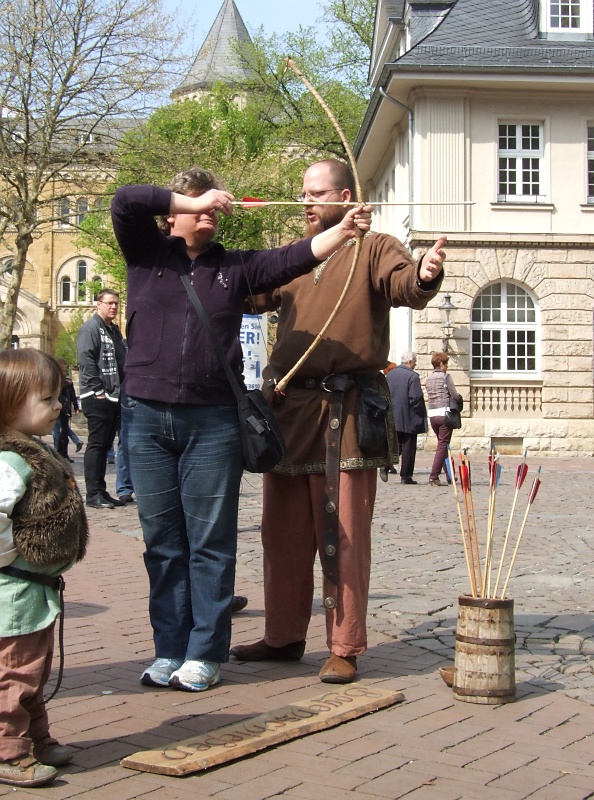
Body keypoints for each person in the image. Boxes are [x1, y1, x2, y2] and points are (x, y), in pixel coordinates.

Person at [111, 167, 372, 693]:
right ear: (172, 214)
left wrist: (344, 229)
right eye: (192, 205)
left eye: (211, 204)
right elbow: (124, 200)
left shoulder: (236, 268)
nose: (205, 211)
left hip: (212, 423)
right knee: (163, 543)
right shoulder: (146, 254)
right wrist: (192, 197)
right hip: (145, 418)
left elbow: (293, 257)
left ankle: (205, 652)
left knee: (210, 542)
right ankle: (169, 649)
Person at [230, 159, 446, 683]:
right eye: (302, 192)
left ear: (345, 195)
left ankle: (344, 644)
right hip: (289, 409)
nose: (305, 201)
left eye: (316, 192)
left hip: (345, 411)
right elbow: (246, 290)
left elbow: (404, 285)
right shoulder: (296, 254)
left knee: (343, 532)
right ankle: (282, 635)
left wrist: (424, 272)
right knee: (280, 533)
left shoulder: (373, 245)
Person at [0, 349, 88, 788]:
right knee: (14, 673)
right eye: (48, 399)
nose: (58, 406)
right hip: (14, 591)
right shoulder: (10, 462)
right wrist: (8, 559)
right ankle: (9, 750)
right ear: (9, 403)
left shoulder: (31, 451)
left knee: (34, 670)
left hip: (35, 589)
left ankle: (36, 739)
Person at [77, 289, 126, 509]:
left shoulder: (113, 330)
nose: (113, 307)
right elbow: (86, 359)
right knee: (97, 445)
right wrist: (98, 390)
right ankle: (93, 494)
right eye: (109, 303)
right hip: (97, 396)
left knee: (106, 445)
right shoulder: (91, 328)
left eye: (116, 303)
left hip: (114, 395)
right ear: (99, 304)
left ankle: (101, 491)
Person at [385, 352, 428, 484]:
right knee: (409, 447)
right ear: (410, 362)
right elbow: (415, 398)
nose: (415, 364)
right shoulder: (412, 376)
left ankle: (386, 464)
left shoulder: (390, 375)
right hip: (408, 416)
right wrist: (421, 413)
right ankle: (406, 476)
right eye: (414, 362)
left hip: (392, 414)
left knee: (396, 445)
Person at [424, 351, 461, 486]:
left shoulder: (428, 379)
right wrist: (459, 400)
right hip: (444, 414)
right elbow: (455, 395)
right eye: (446, 363)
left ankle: (450, 475)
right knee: (442, 446)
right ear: (441, 364)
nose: (446, 366)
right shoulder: (446, 377)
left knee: (443, 445)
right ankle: (433, 476)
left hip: (433, 415)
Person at [52, 360, 83, 462]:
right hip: (58, 408)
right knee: (58, 432)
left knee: (63, 432)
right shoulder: (55, 380)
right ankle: (59, 453)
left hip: (64, 409)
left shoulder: (66, 381)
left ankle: (63, 454)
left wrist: (75, 406)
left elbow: (72, 395)